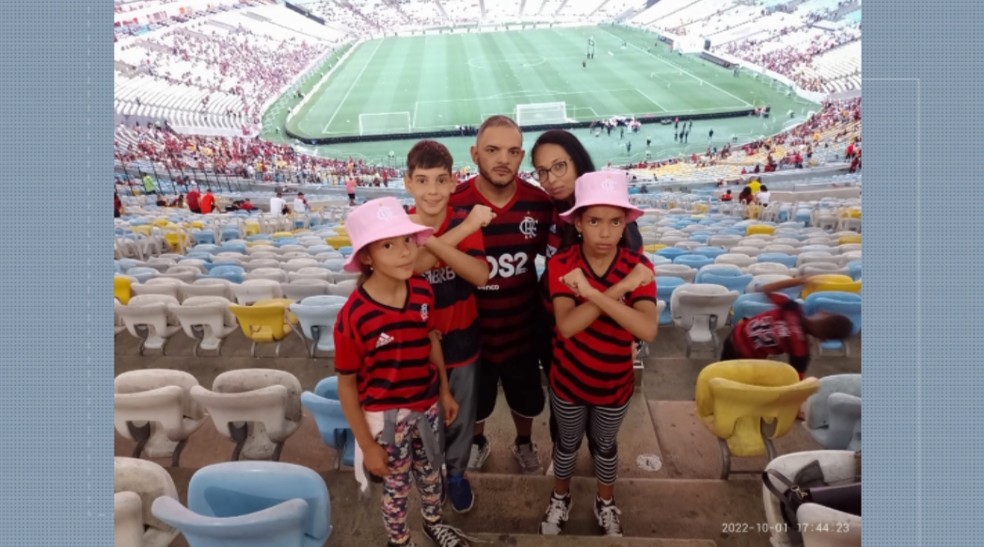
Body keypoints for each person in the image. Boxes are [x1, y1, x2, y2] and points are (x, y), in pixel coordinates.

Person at [333, 197, 473, 547]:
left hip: (427, 406)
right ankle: (399, 540)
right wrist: (367, 445)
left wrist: (444, 391)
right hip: (387, 419)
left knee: (431, 473)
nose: (405, 252)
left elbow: (431, 340)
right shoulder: (354, 317)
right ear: (367, 257)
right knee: (396, 488)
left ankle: (433, 521)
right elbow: (346, 385)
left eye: (408, 240)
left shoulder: (422, 290)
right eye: (388, 245)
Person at [539, 170, 658, 537]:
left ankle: (605, 501)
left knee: (606, 447)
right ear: (577, 223)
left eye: (615, 222)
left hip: (615, 385)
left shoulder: (639, 267)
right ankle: (560, 496)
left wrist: (590, 293)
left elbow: (647, 329)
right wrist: (620, 289)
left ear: (625, 225)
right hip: (568, 382)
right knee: (566, 444)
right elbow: (567, 326)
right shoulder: (562, 264)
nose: (605, 232)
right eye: (594, 221)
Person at [449, 115, 553, 475]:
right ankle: (477, 442)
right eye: (492, 150)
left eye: (512, 151)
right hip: (470, 335)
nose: (503, 160)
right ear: (475, 153)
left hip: (522, 330)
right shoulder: (455, 203)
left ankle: (524, 442)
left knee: (527, 399)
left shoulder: (539, 204)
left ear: (521, 156)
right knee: (475, 403)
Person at [403, 140, 492, 514]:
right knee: (424, 422)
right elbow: (409, 267)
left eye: (441, 180)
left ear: (454, 182)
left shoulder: (460, 220)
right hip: (416, 349)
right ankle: (431, 476)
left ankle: (455, 474)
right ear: (408, 183)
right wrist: (466, 228)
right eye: (423, 180)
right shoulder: (399, 225)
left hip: (463, 342)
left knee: (462, 420)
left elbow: (479, 274)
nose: (433, 190)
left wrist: (437, 241)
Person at [720, 277, 853, 378]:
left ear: (823, 314)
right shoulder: (801, 350)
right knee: (731, 379)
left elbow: (766, 289)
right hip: (747, 358)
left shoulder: (792, 309)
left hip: (734, 337)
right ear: (824, 339)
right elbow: (796, 381)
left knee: (720, 372)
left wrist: (800, 280)